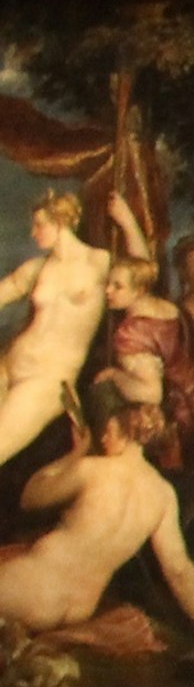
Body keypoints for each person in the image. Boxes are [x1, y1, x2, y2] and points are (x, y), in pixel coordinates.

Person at [0, 380, 194, 660]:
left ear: (111, 428)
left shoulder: (91, 470)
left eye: (101, 432)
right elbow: (181, 573)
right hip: (76, 610)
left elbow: (31, 496)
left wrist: (76, 453)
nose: (100, 440)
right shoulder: (162, 494)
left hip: (31, 592)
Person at [0, 192, 113, 476]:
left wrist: (124, 219)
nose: (33, 233)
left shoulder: (98, 262)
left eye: (40, 224)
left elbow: (143, 267)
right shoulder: (37, 269)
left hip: (47, 380)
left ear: (61, 221)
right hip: (8, 368)